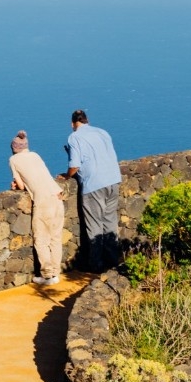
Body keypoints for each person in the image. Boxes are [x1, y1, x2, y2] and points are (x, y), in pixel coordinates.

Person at [60, 109, 122, 272]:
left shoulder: (74, 137)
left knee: (94, 225)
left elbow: (75, 165)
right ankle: (114, 261)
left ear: (73, 123)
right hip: (113, 179)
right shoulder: (102, 132)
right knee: (109, 222)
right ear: (87, 120)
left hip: (94, 184)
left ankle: (96, 265)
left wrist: (67, 176)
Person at [8, 130, 65, 285]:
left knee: (41, 240)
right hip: (57, 195)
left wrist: (16, 187)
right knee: (55, 238)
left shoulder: (13, 160)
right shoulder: (35, 155)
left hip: (43, 200)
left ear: (14, 147)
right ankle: (56, 274)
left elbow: (20, 184)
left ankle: (47, 276)